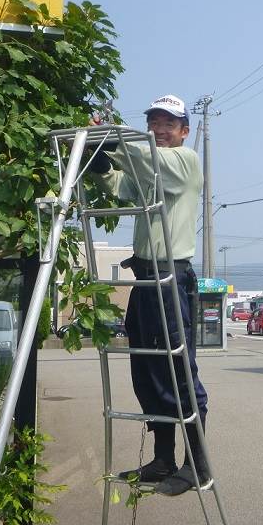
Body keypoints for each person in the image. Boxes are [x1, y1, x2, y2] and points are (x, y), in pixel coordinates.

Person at [89, 95, 209, 496]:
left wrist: (108, 138)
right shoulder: (147, 163)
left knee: (179, 373)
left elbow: (148, 161)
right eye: (154, 122)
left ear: (184, 132)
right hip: (144, 278)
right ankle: (162, 459)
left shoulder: (185, 163)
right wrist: (101, 158)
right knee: (146, 370)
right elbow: (121, 184)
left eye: (168, 124)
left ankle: (198, 466)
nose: (159, 129)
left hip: (171, 278)